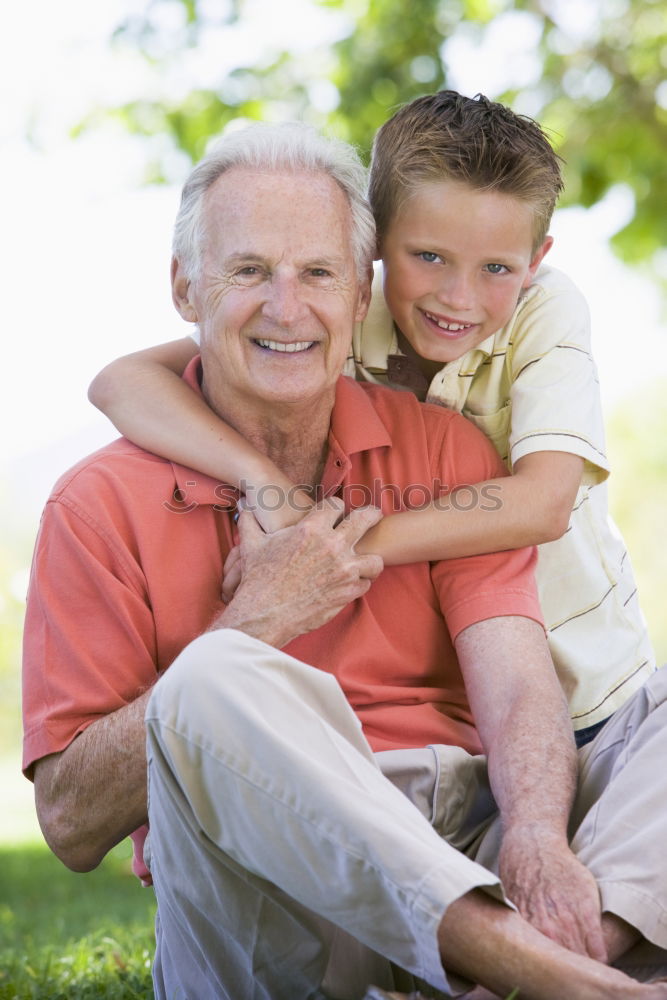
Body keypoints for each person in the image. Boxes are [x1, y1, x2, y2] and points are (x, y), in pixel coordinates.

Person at [23, 122, 667, 1000]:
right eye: (248, 271)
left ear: (356, 288)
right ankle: (554, 978)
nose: (287, 307)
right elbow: (67, 824)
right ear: (184, 287)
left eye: (317, 273)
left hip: (464, 834)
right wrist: (255, 620)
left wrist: (537, 838)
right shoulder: (96, 505)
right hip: (270, 899)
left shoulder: (446, 449)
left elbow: (517, 683)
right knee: (212, 678)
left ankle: (556, 954)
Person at [88, 91, 655, 749]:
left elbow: (543, 503)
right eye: (428, 257)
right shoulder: (335, 313)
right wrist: (260, 478)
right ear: (375, 239)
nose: (458, 296)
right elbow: (120, 383)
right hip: (456, 691)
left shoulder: (544, 310)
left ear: (534, 259)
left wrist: (327, 548)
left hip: (585, 678)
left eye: (496, 268)